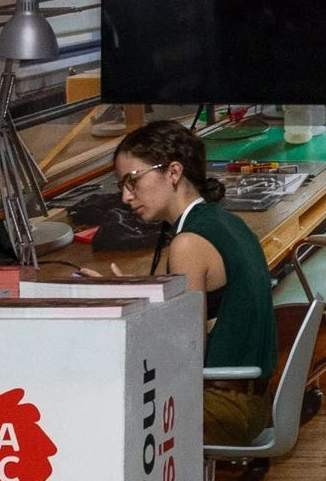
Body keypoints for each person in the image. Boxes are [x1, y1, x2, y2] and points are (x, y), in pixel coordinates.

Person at [111, 118, 280, 445]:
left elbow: (183, 354)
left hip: (223, 407)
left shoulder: (187, 244)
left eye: (132, 181)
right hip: (251, 400)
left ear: (173, 173)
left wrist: (126, 314)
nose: (125, 197)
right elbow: (210, 317)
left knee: (106, 412)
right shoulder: (227, 222)